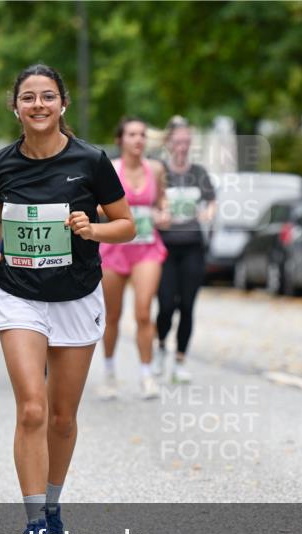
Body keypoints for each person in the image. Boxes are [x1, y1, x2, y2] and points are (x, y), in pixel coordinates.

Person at [0, 64, 134, 534]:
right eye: (28, 97)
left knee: (62, 417)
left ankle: (53, 506)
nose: (38, 105)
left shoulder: (90, 161)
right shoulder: (0, 165)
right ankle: (34, 523)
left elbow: (126, 225)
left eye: (48, 96)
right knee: (32, 409)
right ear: (16, 107)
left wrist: (92, 229)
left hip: (77, 296)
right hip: (18, 293)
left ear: (62, 104)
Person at [98, 117, 169, 400]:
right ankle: (109, 372)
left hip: (146, 248)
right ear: (120, 140)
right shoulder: (110, 169)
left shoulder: (156, 169)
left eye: (142, 135)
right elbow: (96, 205)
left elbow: (161, 200)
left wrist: (162, 213)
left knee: (143, 312)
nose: (138, 139)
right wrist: (117, 214)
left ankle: (146, 375)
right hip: (114, 249)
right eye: (132, 134)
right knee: (112, 315)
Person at [155, 115, 216, 384]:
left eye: (187, 142)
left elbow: (212, 201)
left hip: (192, 246)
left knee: (188, 305)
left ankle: (180, 361)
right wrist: (158, 216)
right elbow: (148, 201)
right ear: (168, 143)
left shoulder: (199, 173)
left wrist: (208, 213)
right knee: (167, 304)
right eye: (178, 141)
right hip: (165, 247)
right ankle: (160, 347)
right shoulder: (160, 171)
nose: (182, 147)